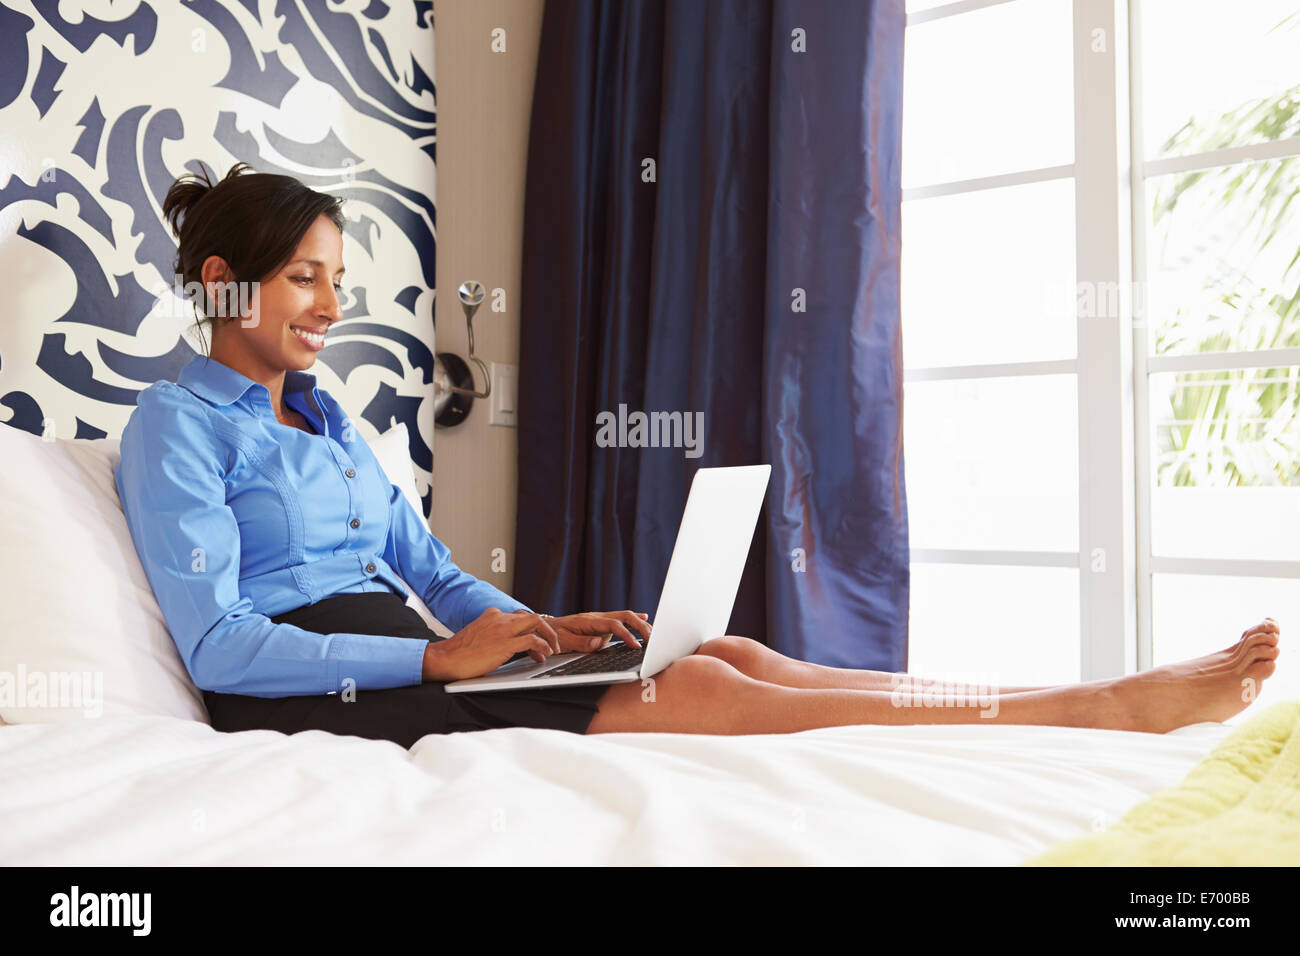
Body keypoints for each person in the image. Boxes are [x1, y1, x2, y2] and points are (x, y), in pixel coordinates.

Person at [115, 162, 1282, 750]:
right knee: (703, 688)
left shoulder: (329, 421)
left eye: (336, 274)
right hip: (317, 691)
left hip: (422, 657)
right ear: (225, 284)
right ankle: (1088, 712)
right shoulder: (179, 426)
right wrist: (437, 667)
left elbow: (432, 572)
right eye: (304, 276)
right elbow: (218, 638)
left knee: (728, 644)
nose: (330, 301)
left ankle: (1079, 692)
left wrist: (539, 628)